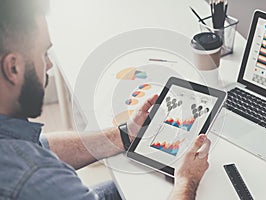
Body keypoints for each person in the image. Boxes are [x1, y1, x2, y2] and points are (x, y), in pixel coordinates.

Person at [0, 0, 211, 199]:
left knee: (135, 185)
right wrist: (187, 179)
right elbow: (33, 163)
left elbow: (39, 145)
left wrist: (125, 134)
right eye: (44, 54)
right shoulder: (35, 175)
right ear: (13, 68)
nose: (48, 66)